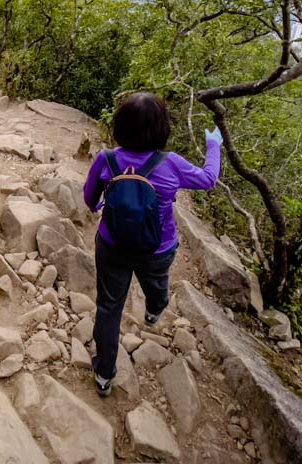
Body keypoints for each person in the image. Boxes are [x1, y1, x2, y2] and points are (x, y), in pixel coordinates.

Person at [82, 91, 222, 396]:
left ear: (119, 125)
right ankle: (154, 311)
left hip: (112, 243)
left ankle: (105, 374)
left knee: (108, 307)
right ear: (162, 130)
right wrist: (214, 145)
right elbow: (209, 179)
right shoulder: (171, 164)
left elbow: (89, 197)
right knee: (157, 285)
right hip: (157, 248)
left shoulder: (107, 159)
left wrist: (97, 208)